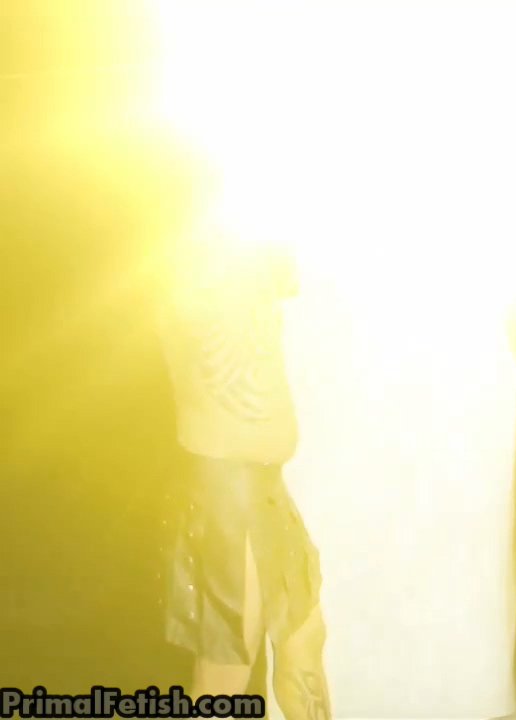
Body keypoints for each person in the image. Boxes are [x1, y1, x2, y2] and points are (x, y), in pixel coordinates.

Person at [159, 221, 333, 720]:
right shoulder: (181, 259)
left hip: (268, 488)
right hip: (226, 495)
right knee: (224, 677)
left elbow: (290, 270)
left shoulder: (258, 245)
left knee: (305, 640)